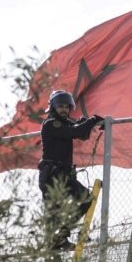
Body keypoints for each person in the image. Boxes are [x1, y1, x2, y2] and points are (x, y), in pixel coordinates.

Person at [39, 90, 102, 251]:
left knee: (84, 200)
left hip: (62, 175)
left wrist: (91, 123)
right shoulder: (51, 123)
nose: (64, 110)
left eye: (67, 107)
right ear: (53, 107)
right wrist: (93, 119)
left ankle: (60, 238)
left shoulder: (65, 124)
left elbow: (81, 133)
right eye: (60, 106)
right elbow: (75, 132)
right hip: (54, 176)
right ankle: (55, 245)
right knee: (57, 213)